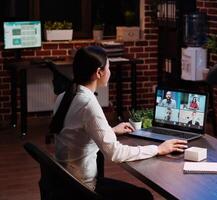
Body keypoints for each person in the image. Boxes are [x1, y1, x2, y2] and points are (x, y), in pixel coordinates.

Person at [50, 46, 187, 199]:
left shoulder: (64, 95)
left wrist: (111, 131)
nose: (110, 72)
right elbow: (115, 153)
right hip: (82, 187)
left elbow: (75, 133)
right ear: (98, 72)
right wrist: (158, 149)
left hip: (64, 180)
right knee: (144, 196)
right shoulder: (88, 103)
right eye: (108, 68)